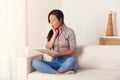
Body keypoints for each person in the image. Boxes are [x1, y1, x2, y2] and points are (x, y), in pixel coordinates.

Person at [32, 9, 77, 74]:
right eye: (50, 21)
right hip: (55, 63)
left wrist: (58, 54)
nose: (51, 23)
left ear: (60, 19)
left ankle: (56, 72)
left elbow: (73, 51)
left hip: (66, 62)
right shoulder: (52, 32)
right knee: (35, 62)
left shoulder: (69, 32)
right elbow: (48, 48)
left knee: (72, 61)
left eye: (53, 21)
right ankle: (59, 73)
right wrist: (54, 35)